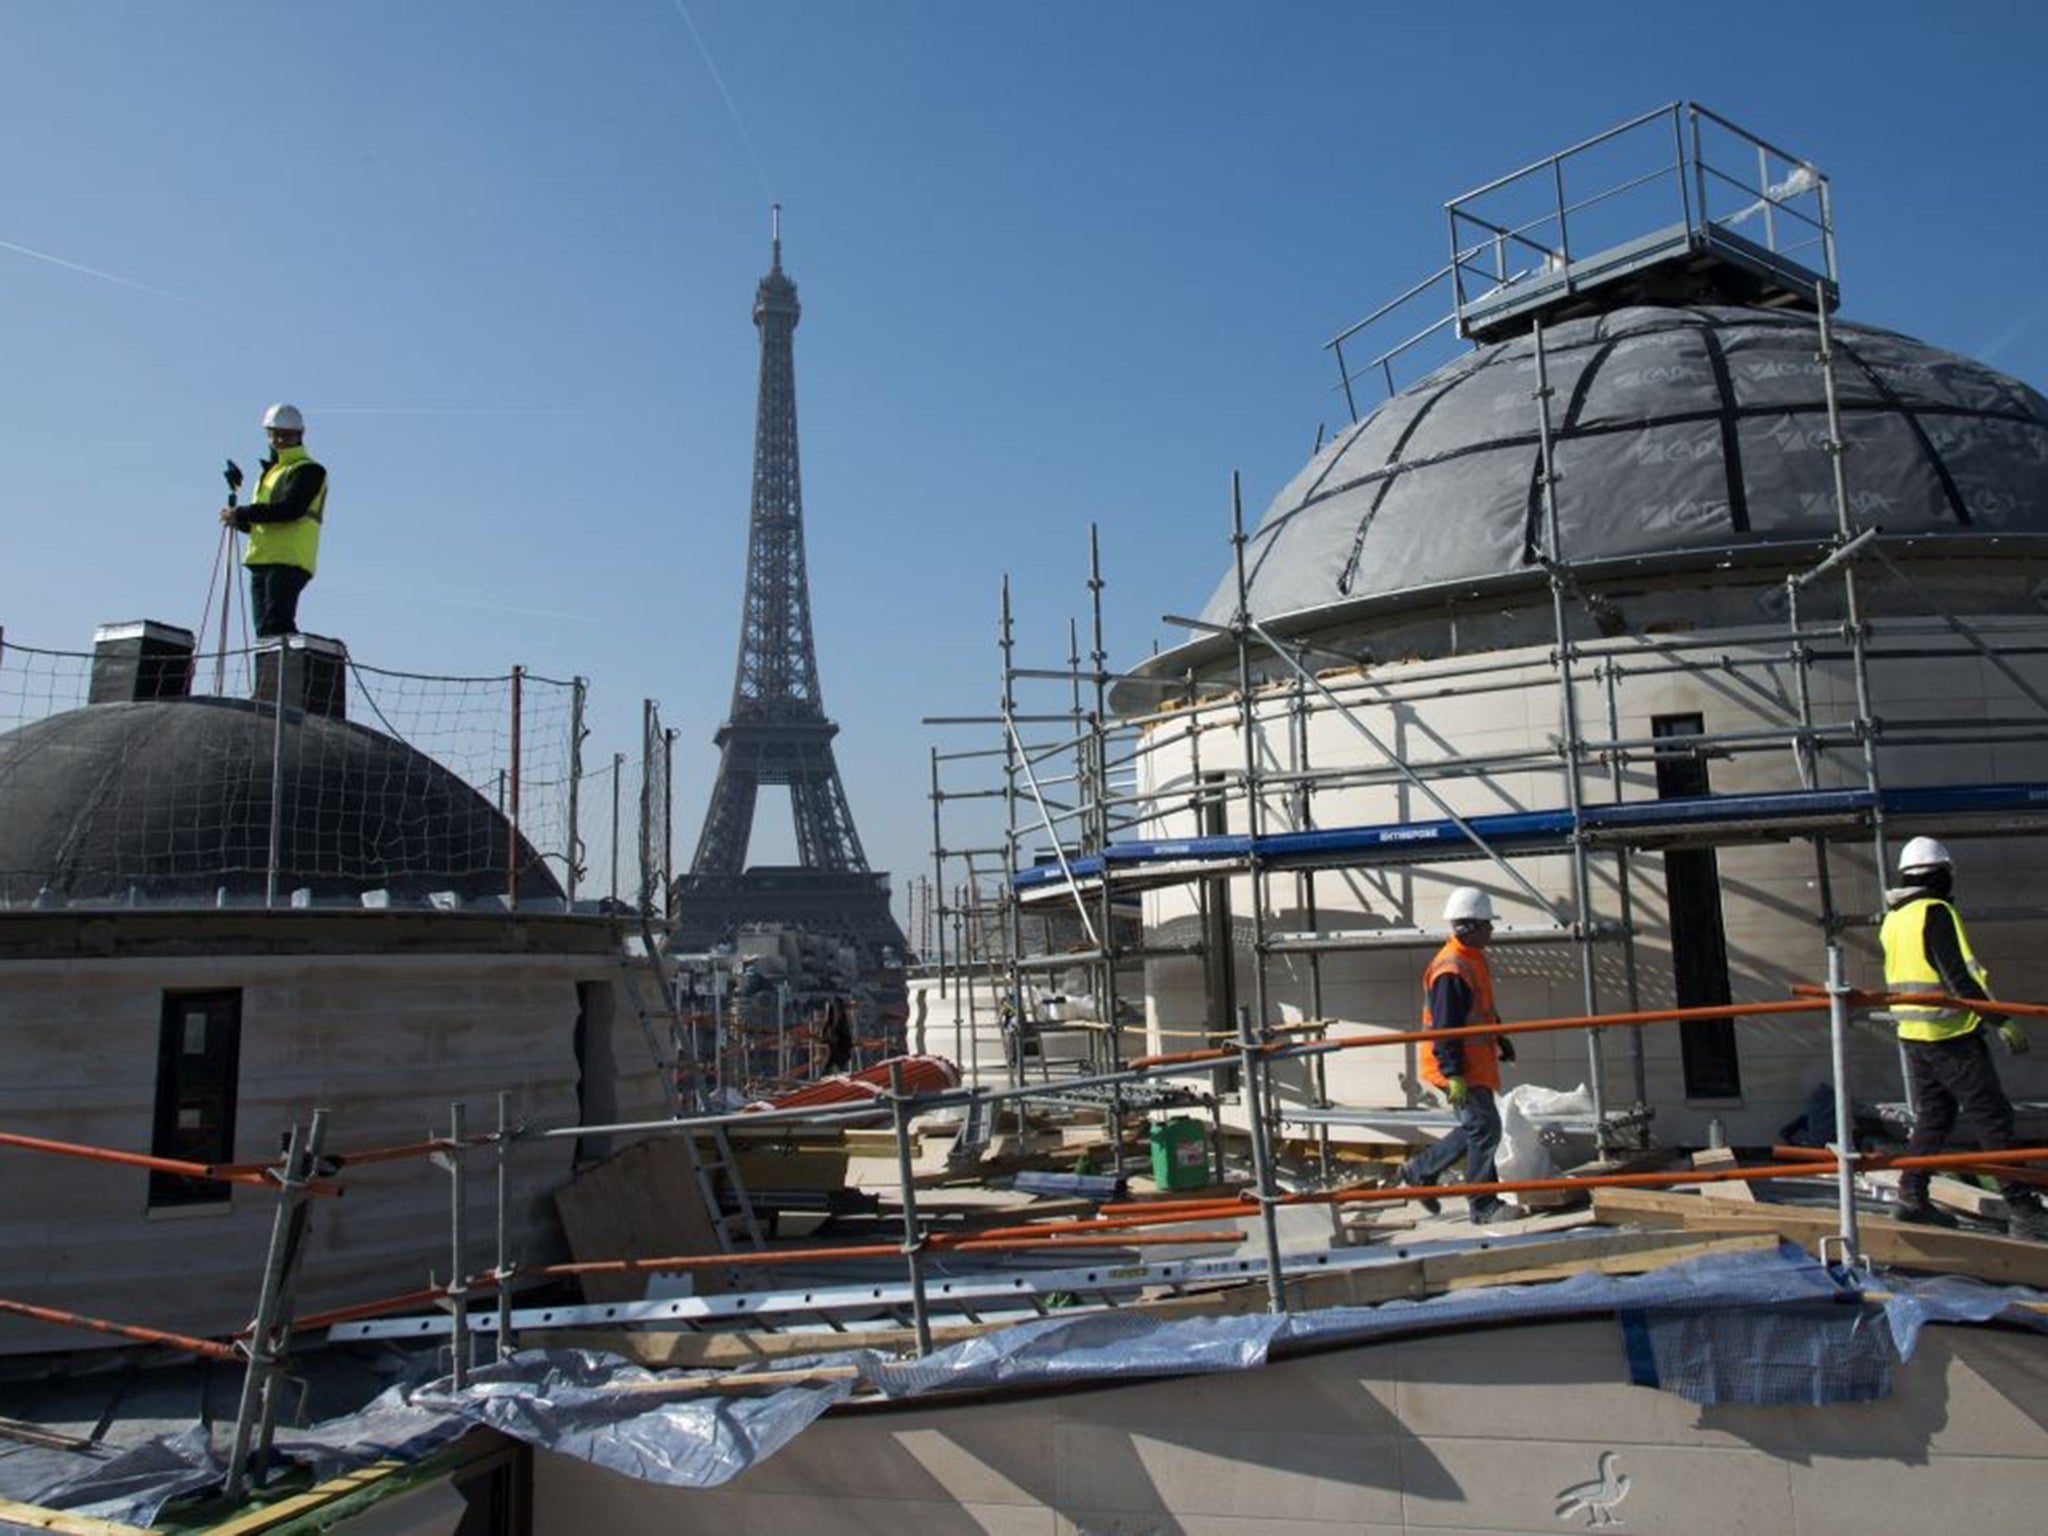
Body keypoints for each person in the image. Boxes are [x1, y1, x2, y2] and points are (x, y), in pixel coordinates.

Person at [1879, 836, 2048, 1241]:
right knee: (1993, 1117)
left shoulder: (1894, 918)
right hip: (1951, 1036)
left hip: (1915, 1035)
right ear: (1939, 875)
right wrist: (2001, 1020)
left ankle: (1912, 1196)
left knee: (1936, 1117)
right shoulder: (1935, 912)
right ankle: (2024, 1210)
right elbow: (1959, 979)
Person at [1391, 886, 1519, 1224]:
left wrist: (1500, 1038)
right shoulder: (1451, 968)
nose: (1492, 930)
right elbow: (1445, 1027)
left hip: (1469, 1061)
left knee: (1478, 1126)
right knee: (1485, 1128)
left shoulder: (1470, 959)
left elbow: (1481, 1010)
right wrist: (1454, 1074)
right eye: (1487, 924)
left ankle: (1420, 1171)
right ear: (1470, 927)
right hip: (1456, 1065)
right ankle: (1482, 1206)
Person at [220, 402, 327, 637]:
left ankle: (290, 670)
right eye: (274, 434)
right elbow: (260, 522)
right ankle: (271, 673)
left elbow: (290, 509)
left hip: (290, 558)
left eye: (285, 435)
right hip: (262, 559)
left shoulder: (308, 470)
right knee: (265, 631)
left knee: (275, 625)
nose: (279, 440)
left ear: (299, 435)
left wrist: (243, 513)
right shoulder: (269, 474)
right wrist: (237, 519)